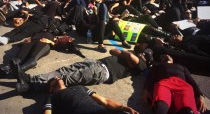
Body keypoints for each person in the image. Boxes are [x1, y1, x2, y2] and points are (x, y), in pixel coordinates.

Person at [13, 48, 152, 93]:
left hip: (103, 72)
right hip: (96, 63)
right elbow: (113, 50)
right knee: (63, 70)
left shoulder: (143, 65)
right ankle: (29, 81)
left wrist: (126, 55)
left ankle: (30, 85)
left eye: (146, 55)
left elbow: (129, 56)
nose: (143, 55)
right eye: (143, 53)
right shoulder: (131, 55)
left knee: (67, 78)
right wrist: (124, 54)